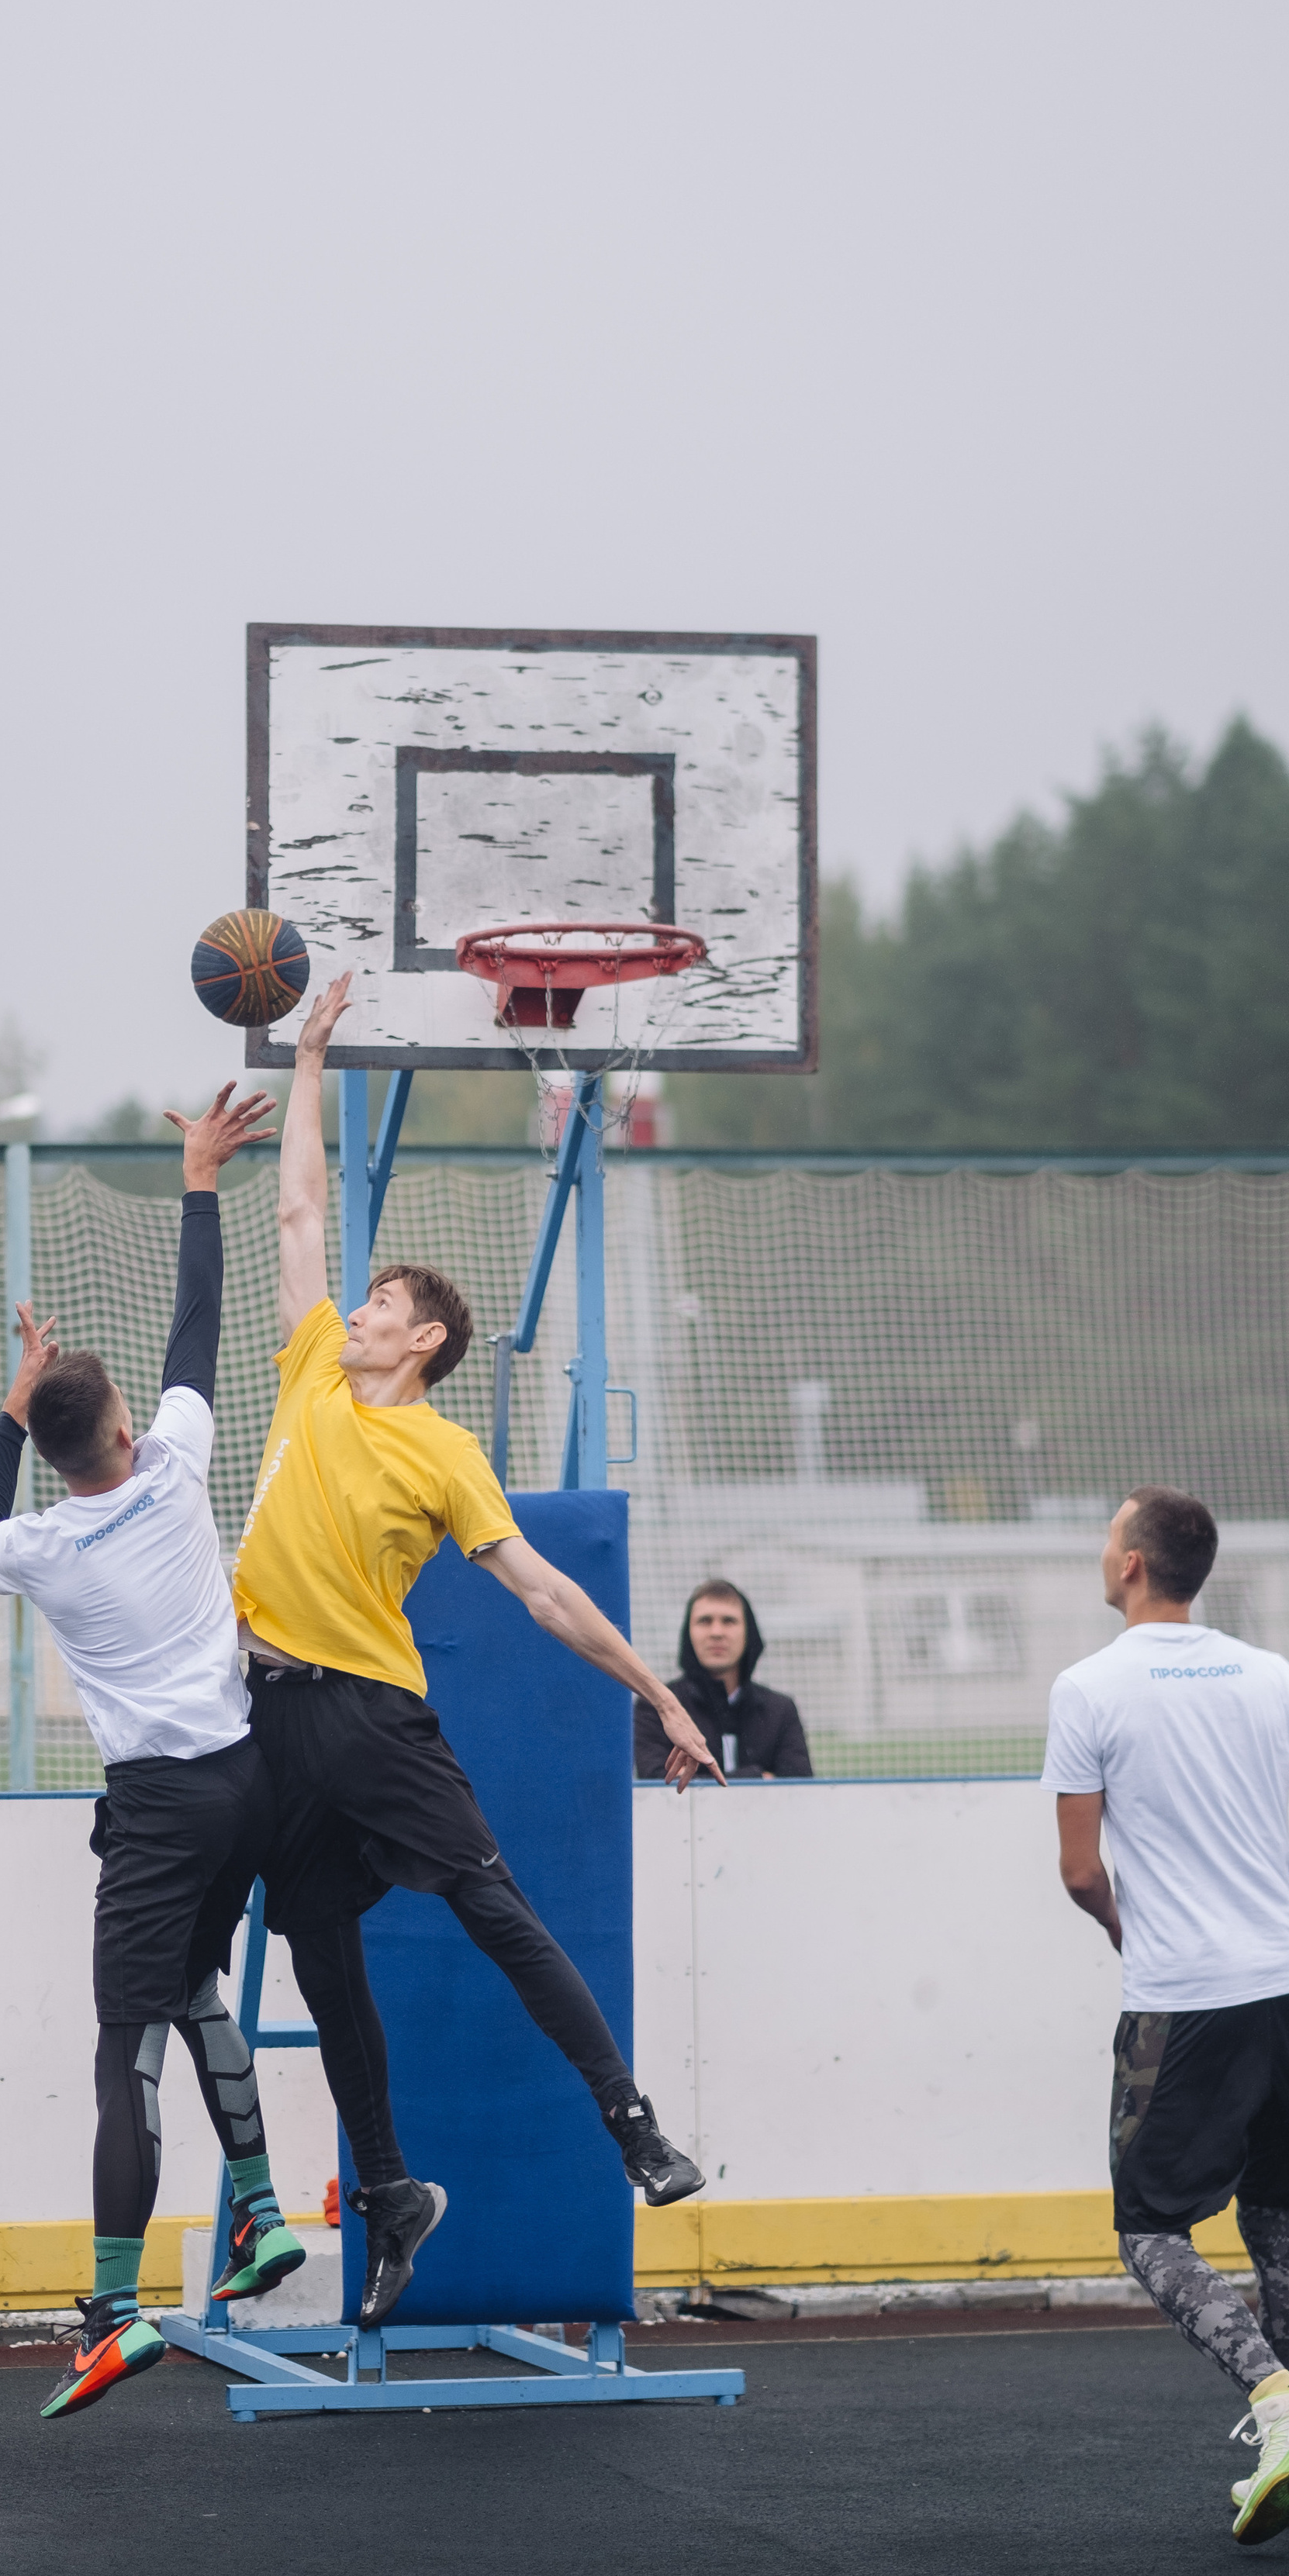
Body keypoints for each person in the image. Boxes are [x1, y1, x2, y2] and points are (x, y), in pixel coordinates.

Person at [229, 975, 725, 2332]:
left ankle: (632, 2127)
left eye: (384, 1301)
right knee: (323, 1960)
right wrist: (311, 1056)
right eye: (365, 1298)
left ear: (426, 1336)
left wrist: (656, 1689)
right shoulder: (313, 1369)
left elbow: (546, 1593)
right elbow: (298, 1208)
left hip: (376, 1721)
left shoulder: (442, 1451)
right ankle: (390, 2191)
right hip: (272, 1720)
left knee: (497, 1914)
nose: (364, 1306)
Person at [0, 1082, 302, 2419]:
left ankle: (114, 2310)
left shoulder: (37, 1545)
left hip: (157, 1810)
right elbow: (199, 1326)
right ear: (121, 1431)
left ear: (53, 1453)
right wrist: (202, 1177)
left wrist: (9, 1400)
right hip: (247, 1785)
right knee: (192, 1991)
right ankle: (264, 2213)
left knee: (123, 2048)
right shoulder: (175, 1467)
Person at [1043, 1484, 1289, 2544]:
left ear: (1131, 1566)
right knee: (1270, 2215)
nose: (1104, 1549)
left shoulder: (1087, 1687)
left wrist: (1123, 1926)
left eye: (1109, 1535)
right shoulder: (1269, 1673)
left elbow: (1075, 1872)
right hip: (1284, 1985)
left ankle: (1278, 2401)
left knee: (1149, 2230)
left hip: (1183, 1998)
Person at [634, 1580, 812, 1783]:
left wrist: (695, 1778)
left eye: (729, 1621)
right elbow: (658, 1784)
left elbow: (799, 1789)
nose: (716, 1632)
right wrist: (758, 1777)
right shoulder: (657, 1708)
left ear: (748, 1632)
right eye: (705, 1621)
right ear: (688, 1633)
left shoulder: (781, 1711)